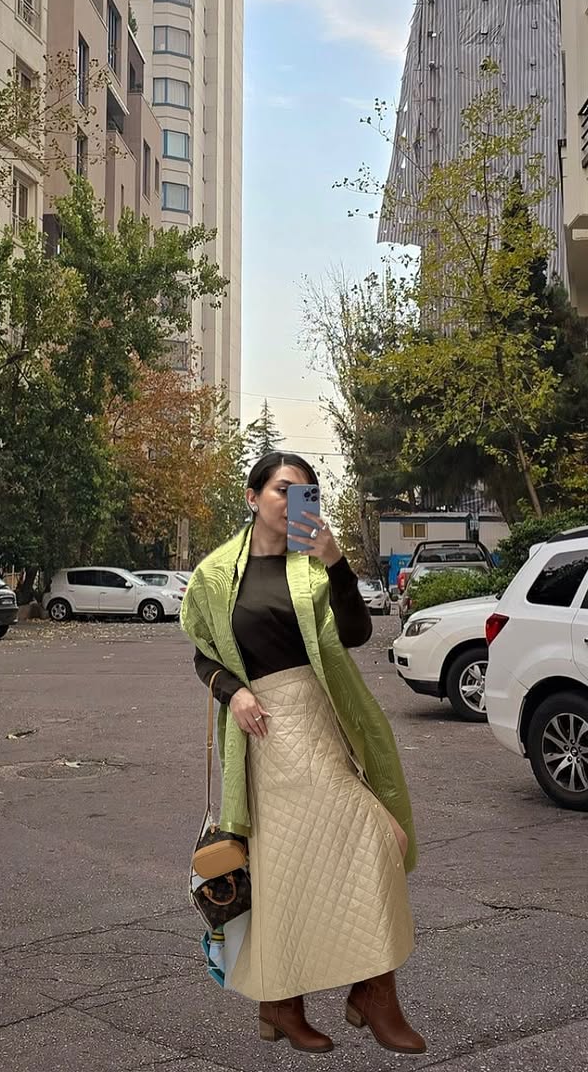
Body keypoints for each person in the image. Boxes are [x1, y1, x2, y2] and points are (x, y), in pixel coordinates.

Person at [180, 451, 425, 1055]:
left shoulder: (312, 566)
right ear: (252, 497)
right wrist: (233, 691)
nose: (293, 503)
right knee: (285, 868)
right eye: (282, 490)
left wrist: (337, 563)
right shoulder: (216, 575)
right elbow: (203, 654)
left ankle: (366, 992)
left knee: (380, 840)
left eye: (305, 492)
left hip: (322, 718)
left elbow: (356, 634)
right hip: (264, 731)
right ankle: (288, 1003)